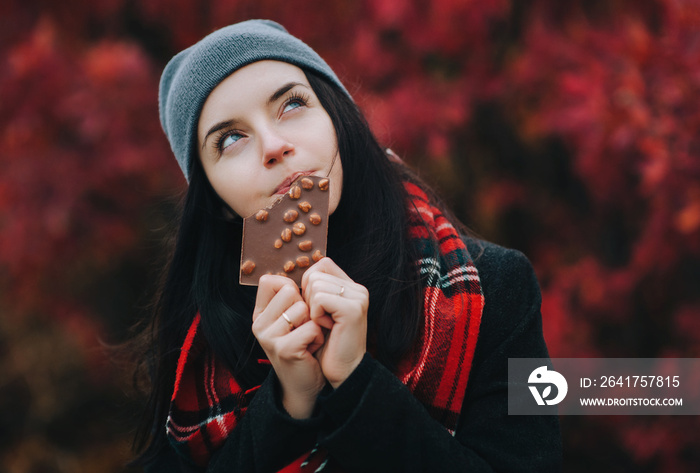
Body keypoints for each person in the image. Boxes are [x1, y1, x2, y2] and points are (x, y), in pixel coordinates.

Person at [133, 19, 562, 472]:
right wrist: (288, 403)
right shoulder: (193, 355)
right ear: (215, 200)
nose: (274, 146)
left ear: (338, 119)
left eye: (292, 104)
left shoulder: (497, 288)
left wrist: (357, 382)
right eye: (231, 139)